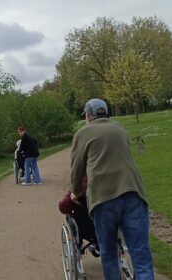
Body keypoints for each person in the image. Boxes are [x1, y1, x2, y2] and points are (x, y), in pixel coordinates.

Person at [70, 98, 154, 279]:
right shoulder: (120, 129)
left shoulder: (83, 134)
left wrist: (76, 191)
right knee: (141, 253)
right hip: (133, 192)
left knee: (109, 253)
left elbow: (77, 167)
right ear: (106, 112)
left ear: (88, 115)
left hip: (103, 197)